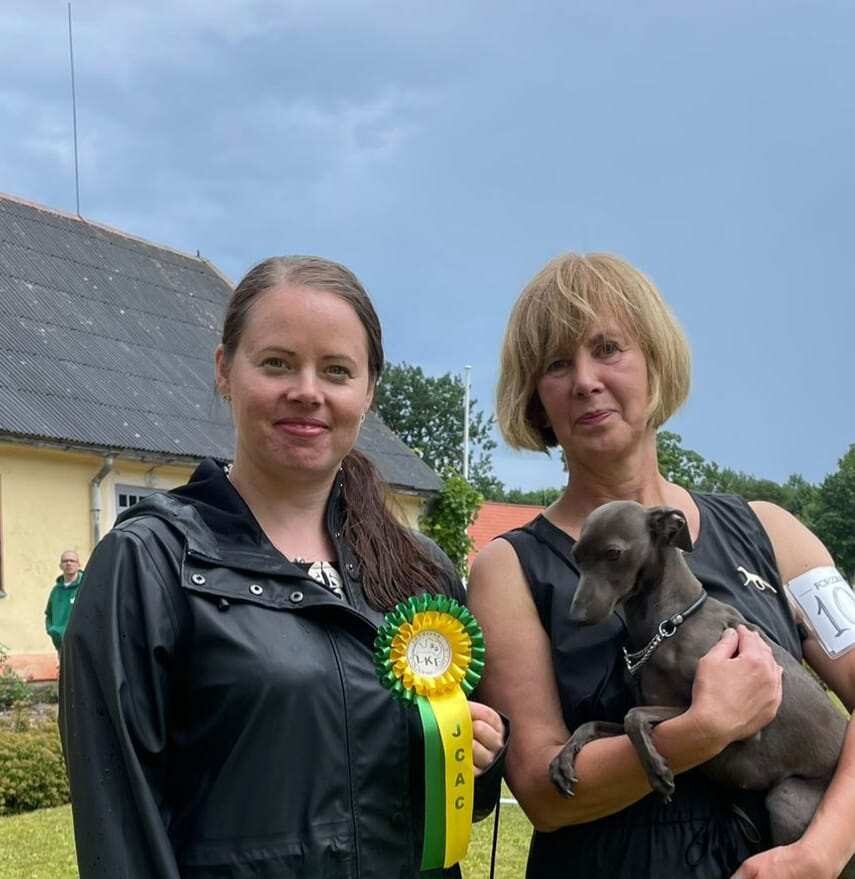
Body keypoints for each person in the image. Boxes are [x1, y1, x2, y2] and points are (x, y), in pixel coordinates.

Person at [60, 255, 506, 879]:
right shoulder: (148, 562)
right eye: (276, 363)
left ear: (368, 392)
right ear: (225, 370)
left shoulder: (420, 569)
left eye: (336, 370)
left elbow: (459, 804)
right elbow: (119, 829)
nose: (307, 391)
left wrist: (477, 754)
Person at [468, 252, 855, 879]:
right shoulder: (509, 567)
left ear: (655, 361)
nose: (585, 380)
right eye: (557, 364)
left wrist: (821, 851)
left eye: (608, 349)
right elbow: (542, 792)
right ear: (536, 397)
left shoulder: (773, 533)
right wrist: (702, 730)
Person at [45, 550, 83, 652]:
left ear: (78, 565)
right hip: (60, 645)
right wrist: (52, 631)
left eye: (72, 561)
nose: (68, 563)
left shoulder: (85, 587)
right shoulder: (56, 591)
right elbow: (49, 614)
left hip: (80, 645)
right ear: (60, 566)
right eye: (65, 561)